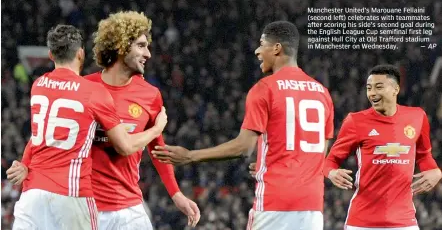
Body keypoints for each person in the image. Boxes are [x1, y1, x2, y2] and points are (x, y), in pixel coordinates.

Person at [152, 21, 334, 230]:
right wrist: (270, 164)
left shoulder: (265, 88)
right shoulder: (322, 93)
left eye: (262, 44)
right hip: (312, 206)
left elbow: (243, 148)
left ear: (277, 48)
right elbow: (320, 154)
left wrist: (191, 156)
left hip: (275, 202)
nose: (257, 51)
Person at [6, 24, 168, 230]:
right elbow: (125, 147)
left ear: (51, 55)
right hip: (70, 194)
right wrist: (156, 129)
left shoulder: (39, 85)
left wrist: (25, 164)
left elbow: (39, 136)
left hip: (32, 195)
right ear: (81, 53)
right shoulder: (93, 92)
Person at [86, 11, 199, 229]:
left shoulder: (150, 94)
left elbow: (157, 149)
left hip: (130, 208)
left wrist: (176, 194)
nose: (148, 53)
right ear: (121, 45)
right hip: (86, 207)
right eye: (141, 45)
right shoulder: (85, 88)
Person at [323, 64, 442, 230]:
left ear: (396, 89)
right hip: (362, 222)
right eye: (369, 88)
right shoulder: (355, 121)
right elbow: (330, 161)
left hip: (404, 222)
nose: (372, 93)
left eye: (379, 87)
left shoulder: (417, 117)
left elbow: (424, 156)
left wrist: (436, 171)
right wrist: (332, 172)